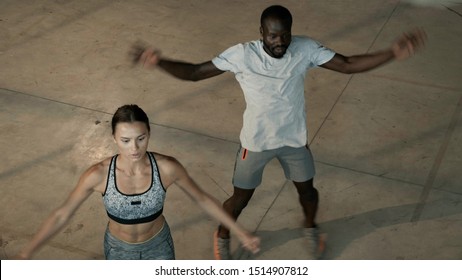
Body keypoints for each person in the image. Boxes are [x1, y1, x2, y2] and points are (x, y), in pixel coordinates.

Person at [131, 5, 426, 259]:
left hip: (294, 141)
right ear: (261, 32)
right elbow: (195, 72)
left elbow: (348, 65)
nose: (280, 42)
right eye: (273, 35)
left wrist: (392, 53)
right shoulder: (242, 55)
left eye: (285, 35)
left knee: (307, 192)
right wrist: (159, 61)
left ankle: (310, 227)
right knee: (240, 199)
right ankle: (223, 232)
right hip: (255, 143)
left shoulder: (306, 48)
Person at [15, 104, 260, 260]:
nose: (134, 148)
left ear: (149, 134)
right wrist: (27, 253)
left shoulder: (166, 167)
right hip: (119, 251)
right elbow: (62, 214)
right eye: (125, 140)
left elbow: (203, 199)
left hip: (159, 247)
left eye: (141, 138)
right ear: (113, 138)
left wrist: (240, 231)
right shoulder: (98, 174)